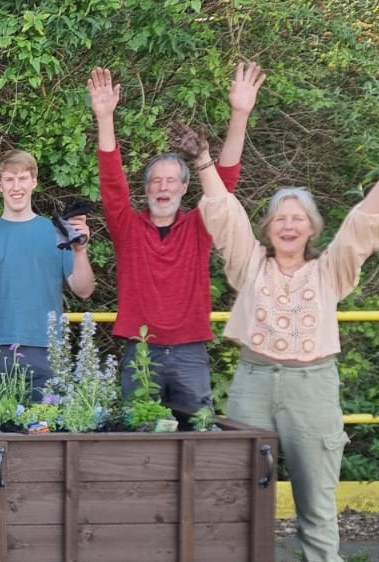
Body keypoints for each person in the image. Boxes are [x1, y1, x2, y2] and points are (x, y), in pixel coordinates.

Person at [185, 110, 379, 562]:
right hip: (254, 382)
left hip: (313, 386)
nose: (288, 224)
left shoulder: (332, 269)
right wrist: (201, 160)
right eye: (280, 217)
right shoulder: (249, 263)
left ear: (312, 228)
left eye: (298, 218)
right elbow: (224, 214)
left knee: (316, 492)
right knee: (233, 490)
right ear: (268, 227)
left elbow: (365, 221)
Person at [89, 62, 265, 408]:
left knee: (198, 445)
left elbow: (223, 185)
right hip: (140, 351)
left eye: (171, 180)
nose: (163, 186)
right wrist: (105, 118)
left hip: (190, 354)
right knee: (137, 443)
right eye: (156, 180)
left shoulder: (200, 227)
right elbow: (112, 182)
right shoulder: (127, 227)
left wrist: (240, 114)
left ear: (186, 187)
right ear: (146, 189)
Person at [0, 150, 95, 399]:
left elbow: (83, 290)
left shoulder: (58, 232)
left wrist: (80, 250)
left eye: (22, 178)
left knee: (44, 432)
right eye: (9, 179)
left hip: (46, 348)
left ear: (34, 182)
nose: (16, 186)